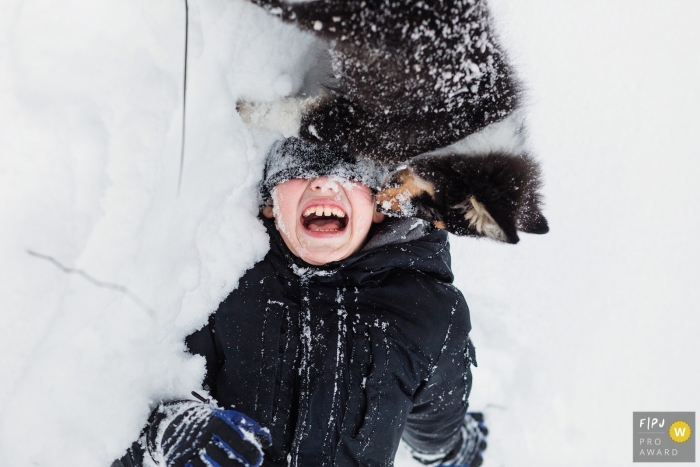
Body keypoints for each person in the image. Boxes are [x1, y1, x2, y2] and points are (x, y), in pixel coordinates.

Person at [114, 138, 487, 467]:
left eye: (350, 171)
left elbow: (437, 404)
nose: (324, 182)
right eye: (299, 165)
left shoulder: (427, 311)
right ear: (270, 206)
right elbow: (96, 419)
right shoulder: (216, 281)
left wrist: (445, 450)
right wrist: (164, 434)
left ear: (379, 206)